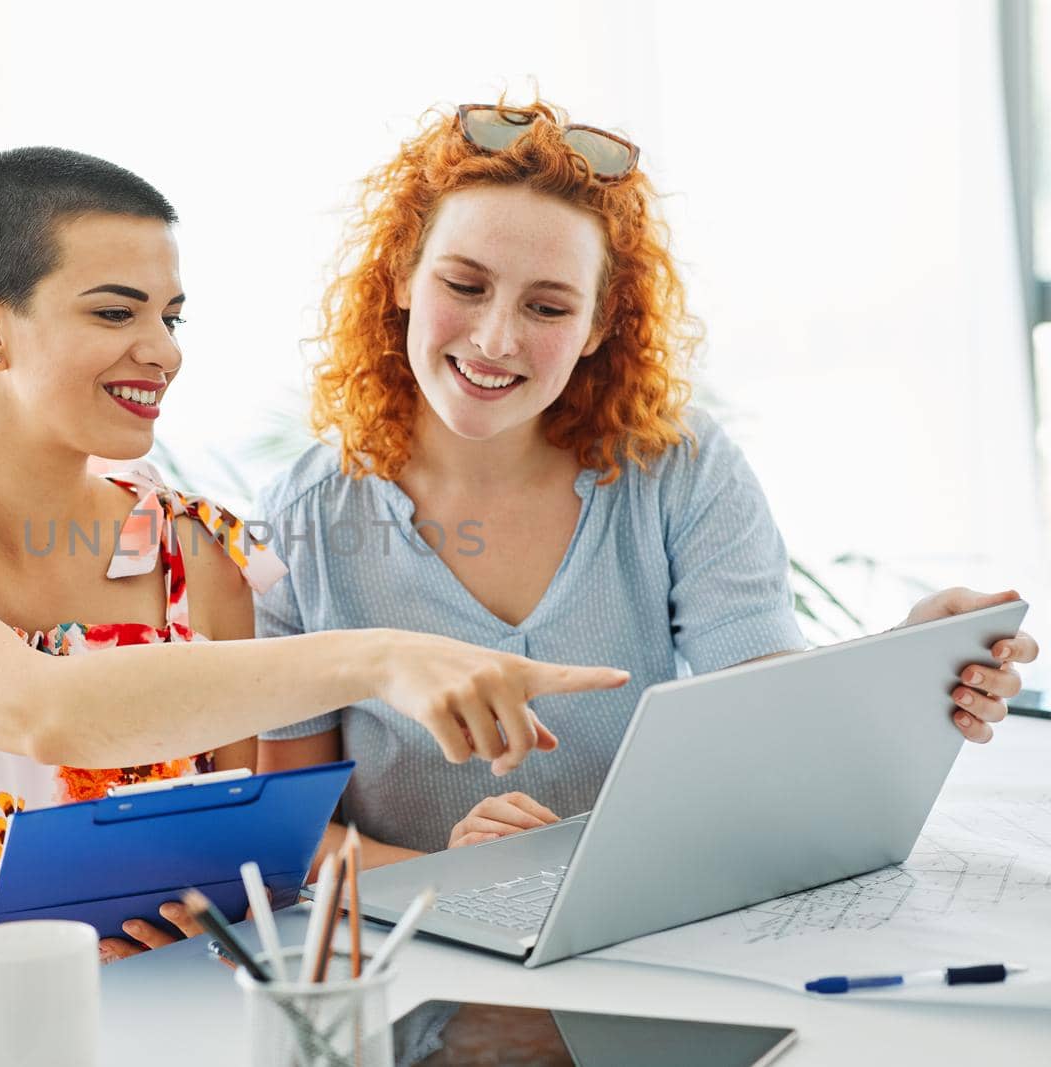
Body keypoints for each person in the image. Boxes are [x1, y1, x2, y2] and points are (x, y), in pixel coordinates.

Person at [0, 146, 627, 1058]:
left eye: (170, 316)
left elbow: (258, 862)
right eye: (115, 311)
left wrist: (467, 868)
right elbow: (45, 711)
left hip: (168, 1018)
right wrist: (383, 656)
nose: (164, 350)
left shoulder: (192, 550)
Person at [249, 99, 1040, 870]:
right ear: (400, 278)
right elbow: (293, 841)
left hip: (642, 924)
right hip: (421, 954)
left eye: (548, 305)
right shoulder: (303, 520)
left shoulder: (677, 470)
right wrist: (452, 874)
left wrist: (903, 667)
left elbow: (770, 723)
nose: (496, 338)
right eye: (464, 285)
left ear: (597, 328)